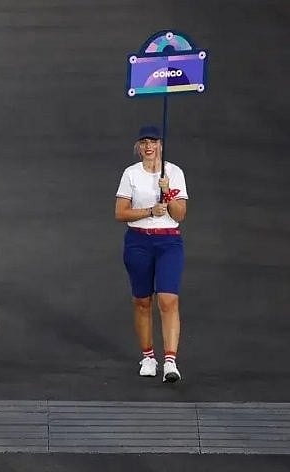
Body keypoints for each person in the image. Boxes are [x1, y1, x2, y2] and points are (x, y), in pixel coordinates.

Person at [115, 125, 188, 383]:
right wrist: (148, 212)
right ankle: (148, 356)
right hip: (138, 242)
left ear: (160, 144)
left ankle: (170, 361)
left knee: (168, 300)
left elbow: (180, 214)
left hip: (168, 242)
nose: (149, 147)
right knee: (142, 301)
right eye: (144, 142)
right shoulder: (131, 174)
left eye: (153, 141)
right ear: (139, 146)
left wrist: (167, 192)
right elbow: (121, 212)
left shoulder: (174, 172)